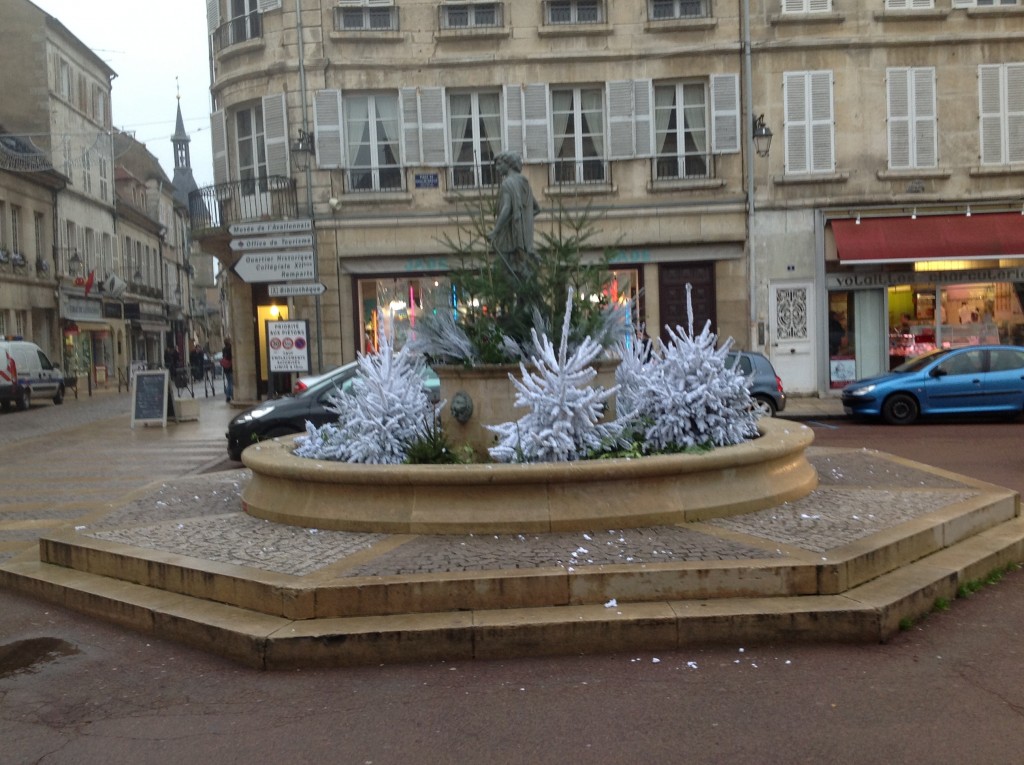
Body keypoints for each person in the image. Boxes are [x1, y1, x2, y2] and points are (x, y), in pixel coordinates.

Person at [487, 151, 541, 281]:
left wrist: (495, 231)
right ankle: (526, 290)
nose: (497, 168)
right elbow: (537, 209)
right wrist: (523, 219)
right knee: (521, 270)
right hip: (524, 238)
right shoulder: (524, 182)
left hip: (509, 236)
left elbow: (506, 209)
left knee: (503, 271)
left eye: (499, 164)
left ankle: (519, 291)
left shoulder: (507, 184)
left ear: (509, 164)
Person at [221, 337, 233, 403]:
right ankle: (228, 396)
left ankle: (229, 395)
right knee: (230, 383)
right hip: (230, 368)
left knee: (229, 382)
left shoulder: (224, 349)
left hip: (226, 368)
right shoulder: (230, 348)